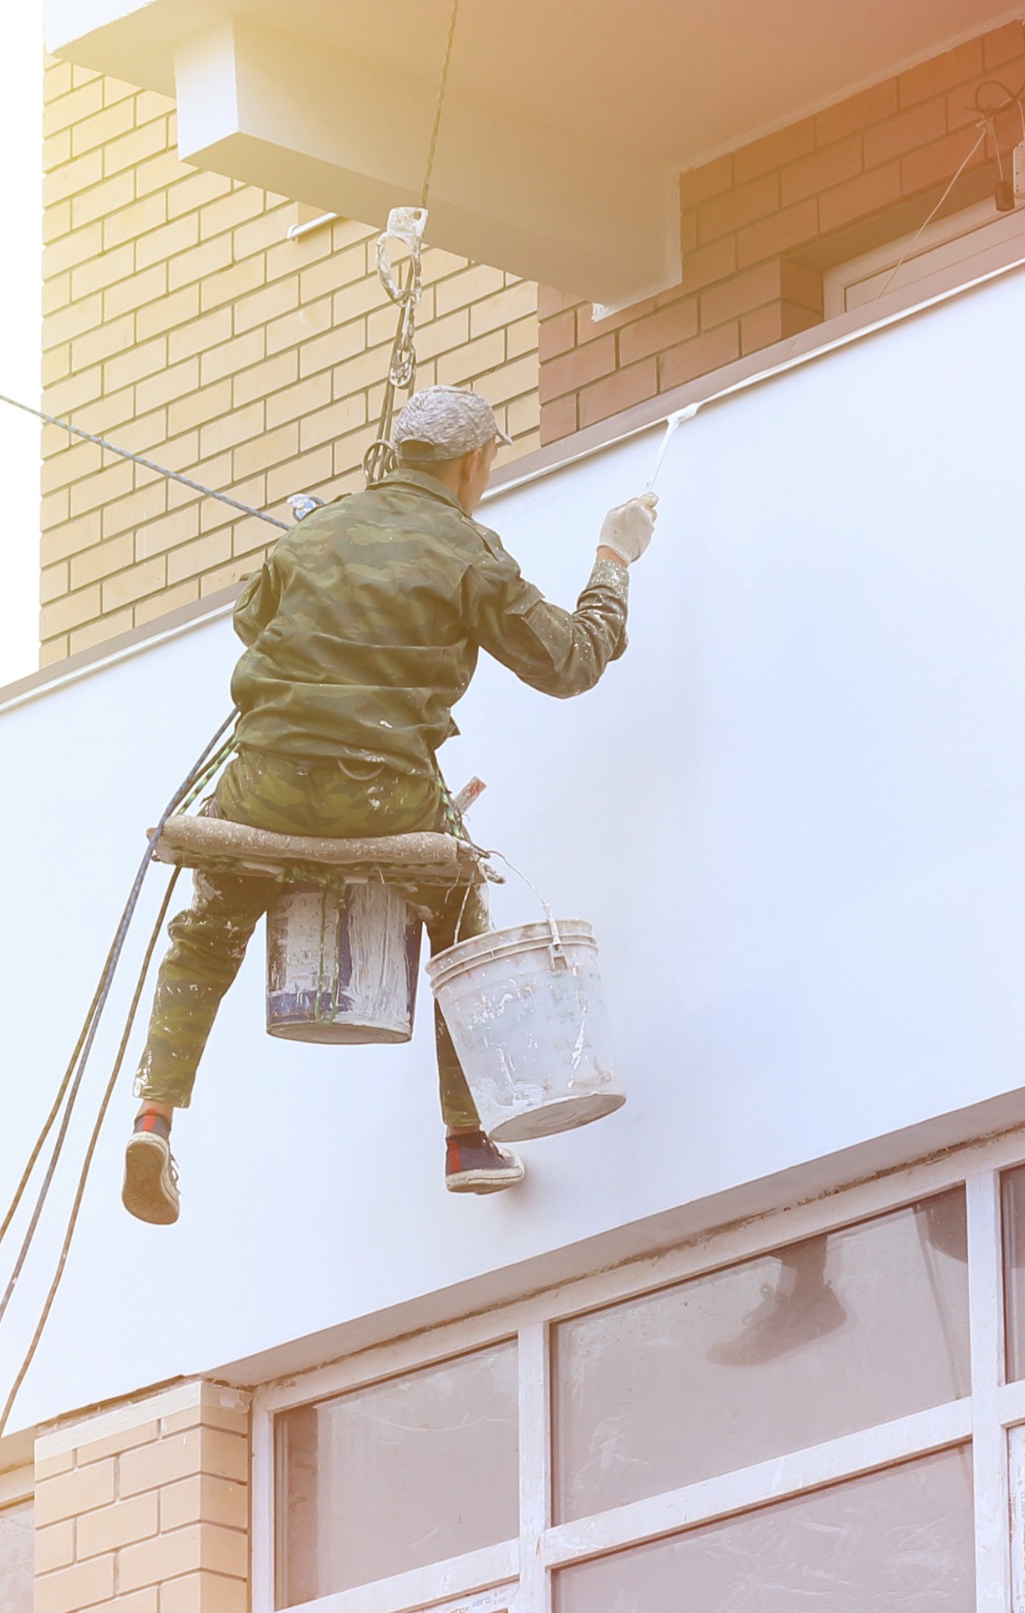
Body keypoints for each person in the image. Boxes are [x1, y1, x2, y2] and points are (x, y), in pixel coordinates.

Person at [122, 385, 659, 1226]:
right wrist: (612, 562)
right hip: (386, 796)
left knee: (208, 928)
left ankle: (154, 1117)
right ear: (473, 463)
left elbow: (251, 623)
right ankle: (464, 1138)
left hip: (263, 784)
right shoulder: (470, 551)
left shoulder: (313, 531)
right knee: (456, 918)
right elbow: (570, 665)